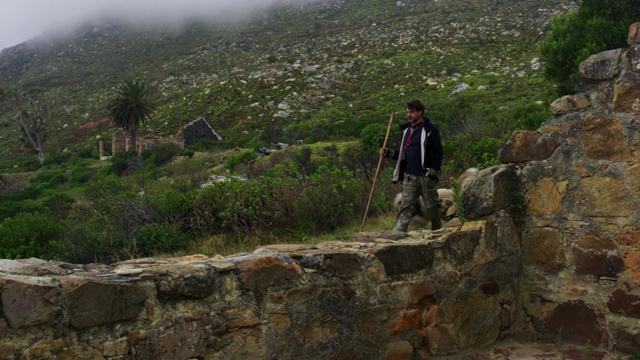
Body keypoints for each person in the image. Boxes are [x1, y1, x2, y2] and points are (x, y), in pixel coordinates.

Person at [379, 99, 444, 231]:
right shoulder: (407, 131)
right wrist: (388, 153)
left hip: (426, 176)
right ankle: (397, 234)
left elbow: (438, 151)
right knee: (405, 206)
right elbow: (404, 153)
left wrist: (433, 171)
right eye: (407, 112)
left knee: (431, 206)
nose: (409, 115)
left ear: (420, 112)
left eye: (412, 112)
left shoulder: (430, 129)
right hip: (410, 177)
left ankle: (437, 233)